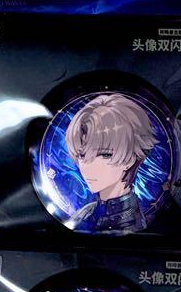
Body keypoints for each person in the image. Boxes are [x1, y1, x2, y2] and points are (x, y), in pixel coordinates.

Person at [65, 93, 159, 233]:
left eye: (105, 155)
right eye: (82, 155)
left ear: (131, 159)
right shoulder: (85, 213)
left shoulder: (130, 225)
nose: (88, 167)